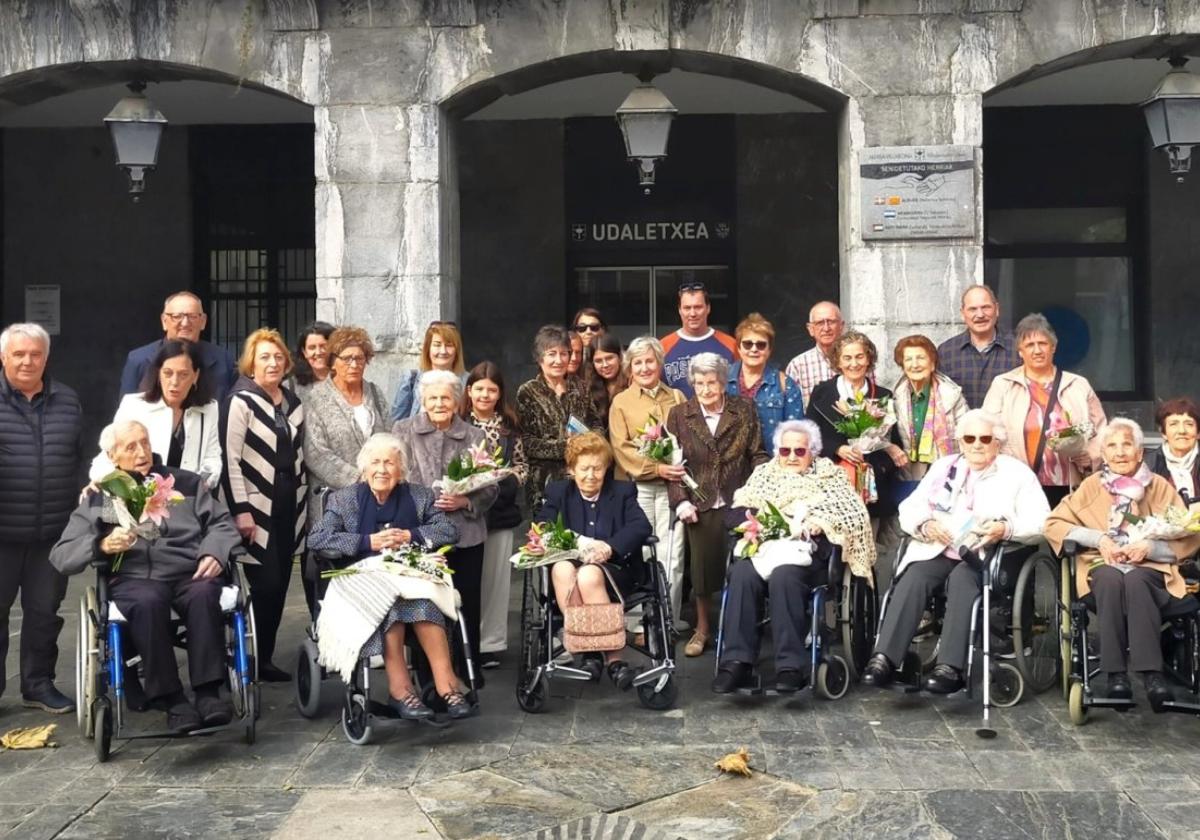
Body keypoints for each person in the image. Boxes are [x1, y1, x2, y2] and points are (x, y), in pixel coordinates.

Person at [51, 420, 242, 732]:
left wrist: (214, 551)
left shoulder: (185, 483)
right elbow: (62, 554)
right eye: (131, 447)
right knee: (148, 601)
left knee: (205, 593)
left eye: (145, 442)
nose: (142, 452)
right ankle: (172, 699)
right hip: (134, 577)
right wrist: (100, 545)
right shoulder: (102, 496)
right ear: (112, 457)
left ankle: (208, 693)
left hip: (188, 570)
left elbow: (222, 524)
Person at [861, 410, 1050, 693]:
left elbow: (1040, 521)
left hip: (986, 554)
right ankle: (884, 659)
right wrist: (925, 525)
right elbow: (910, 508)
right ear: (960, 442)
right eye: (969, 438)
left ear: (997, 442)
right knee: (914, 577)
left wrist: (1005, 528)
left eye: (985, 438)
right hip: (938, 547)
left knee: (963, 580)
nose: (977, 444)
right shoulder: (944, 467)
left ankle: (950, 667)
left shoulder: (1016, 474)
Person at [307, 433, 470, 719]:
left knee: (426, 605)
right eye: (376, 462)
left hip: (410, 577)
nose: (382, 469)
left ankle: (448, 687)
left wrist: (411, 535)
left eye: (390, 463)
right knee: (388, 606)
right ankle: (401, 691)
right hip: (364, 579)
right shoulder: (344, 500)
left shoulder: (419, 496)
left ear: (402, 470)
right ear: (364, 468)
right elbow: (318, 539)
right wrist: (369, 542)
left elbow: (449, 531)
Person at [1044, 418, 1200, 705]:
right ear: (1103, 454)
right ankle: (1116, 674)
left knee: (1137, 579)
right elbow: (1054, 523)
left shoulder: (1160, 487)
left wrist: (1150, 547)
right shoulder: (1091, 486)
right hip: (1101, 565)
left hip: (1151, 570)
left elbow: (1190, 536)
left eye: (1127, 444)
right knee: (1111, 577)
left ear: (1140, 452)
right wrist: (1098, 540)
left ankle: (1152, 674)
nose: (1120, 452)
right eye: (1112, 446)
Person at [714, 419, 875, 693]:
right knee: (741, 574)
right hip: (765, 550)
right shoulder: (764, 474)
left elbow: (854, 516)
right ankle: (736, 661)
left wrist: (821, 525)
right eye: (785, 450)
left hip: (807, 557)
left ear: (812, 451)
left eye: (799, 451)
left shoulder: (830, 476)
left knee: (785, 576)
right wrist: (759, 521)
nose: (791, 457)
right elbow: (733, 513)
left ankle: (791, 666)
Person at [0, 323, 83, 714]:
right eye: (19, 354)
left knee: (44, 613)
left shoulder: (67, 400)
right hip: (2, 532)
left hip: (53, 531)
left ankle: (38, 684)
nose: (27, 361)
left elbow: (80, 458)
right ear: (4, 357)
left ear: (46, 357)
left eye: (35, 354)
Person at [394, 370, 498, 671]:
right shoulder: (403, 430)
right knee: (425, 605)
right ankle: (428, 675)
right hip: (420, 536)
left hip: (464, 534)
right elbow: (394, 479)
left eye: (445, 398)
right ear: (423, 401)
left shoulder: (475, 436)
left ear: (456, 401)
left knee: (465, 603)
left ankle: (468, 671)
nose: (439, 403)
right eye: (433, 398)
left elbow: (490, 486)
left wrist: (465, 500)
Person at [667, 353, 768, 657]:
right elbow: (671, 465)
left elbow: (757, 453)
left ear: (724, 383)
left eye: (712, 382)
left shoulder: (744, 409)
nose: (706, 389)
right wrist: (680, 502)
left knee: (743, 566)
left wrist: (760, 488)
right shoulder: (679, 414)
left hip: (740, 498)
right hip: (700, 502)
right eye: (699, 383)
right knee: (702, 571)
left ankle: (740, 627)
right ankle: (702, 628)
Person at [220, 328, 307, 682]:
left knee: (283, 582)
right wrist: (240, 509)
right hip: (255, 507)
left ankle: (265, 658)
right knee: (265, 582)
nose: (273, 363)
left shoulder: (292, 402)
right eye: (264, 358)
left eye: (278, 357)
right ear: (250, 364)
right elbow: (230, 459)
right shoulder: (240, 401)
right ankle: (242, 651)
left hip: (290, 503)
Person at [537, 432, 652, 690]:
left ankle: (612, 659)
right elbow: (543, 525)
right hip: (570, 569)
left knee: (589, 575)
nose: (591, 475)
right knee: (563, 568)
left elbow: (641, 526)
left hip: (615, 571)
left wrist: (610, 547)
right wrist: (568, 543)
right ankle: (589, 650)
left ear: (606, 468)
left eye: (598, 468)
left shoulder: (622, 492)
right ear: (571, 469)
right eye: (584, 468)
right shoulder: (558, 492)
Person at [982, 312, 1107, 507]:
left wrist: (1090, 457)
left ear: (1053, 347)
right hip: (1021, 485)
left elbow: (1101, 430)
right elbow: (987, 431)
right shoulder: (1003, 385)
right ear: (1020, 351)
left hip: (1070, 484)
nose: (1037, 350)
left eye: (1043, 343)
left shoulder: (1077, 385)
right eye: (1030, 345)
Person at [608, 336, 686, 625]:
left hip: (672, 489)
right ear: (630, 367)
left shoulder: (676, 397)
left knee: (672, 554)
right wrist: (655, 468)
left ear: (659, 363)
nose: (644, 367)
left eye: (649, 361)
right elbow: (621, 448)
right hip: (637, 488)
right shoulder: (621, 402)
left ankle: (667, 618)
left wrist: (672, 468)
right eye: (638, 362)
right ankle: (638, 620)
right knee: (637, 551)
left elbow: (687, 439)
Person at [462, 361, 528, 669]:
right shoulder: (460, 422)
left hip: (500, 510)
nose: (485, 395)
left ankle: (490, 644)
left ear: (500, 393)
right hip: (466, 513)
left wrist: (508, 479)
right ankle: (463, 640)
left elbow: (522, 465)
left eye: (492, 390)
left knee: (496, 579)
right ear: (469, 391)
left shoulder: (508, 425)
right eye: (479, 389)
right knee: (468, 579)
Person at [91, 339, 222, 490]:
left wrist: (202, 483)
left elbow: (212, 458)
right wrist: (104, 482)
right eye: (167, 373)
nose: (174, 382)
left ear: (195, 376)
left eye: (183, 374)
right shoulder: (133, 405)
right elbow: (108, 455)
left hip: (189, 500)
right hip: (142, 499)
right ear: (158, 373)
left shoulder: (209, 409)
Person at [806, 330, 908, 518]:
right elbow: (808, 436)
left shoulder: (883, 396)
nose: (854, 364)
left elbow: (894, 442)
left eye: (860, 356)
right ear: (838, 361)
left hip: (873, 490)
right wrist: (837, 448)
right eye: (847, 358)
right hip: (832, 486)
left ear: (869, 359)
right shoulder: (821, 393)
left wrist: (876, 464)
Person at [516, 326, 597, 512]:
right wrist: (566, 447)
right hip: (544, 483)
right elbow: (526, 442)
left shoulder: (580, 387)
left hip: (582, 477)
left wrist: (591, 442)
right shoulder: (528, 392)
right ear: (539, 357)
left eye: (564, 353)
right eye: (552, 354)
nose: (559, 360)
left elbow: (595, 424)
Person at [304, 327, 390, 493]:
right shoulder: (316, 398)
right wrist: (359, 479)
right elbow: (316, 454)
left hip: (378, 494)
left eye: (359, 358)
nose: (354, 364)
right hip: (334, 497)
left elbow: (389, 439)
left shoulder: (375, 393)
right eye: (346, 359)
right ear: (333, 362)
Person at [119, 291, 238, 400]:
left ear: (203, 321)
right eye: (177, 317)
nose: (185, 323)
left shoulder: (223, 359)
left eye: (192, 316)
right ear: (164, 321)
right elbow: (126, 414)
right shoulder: (139, 359)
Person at [890, 335, 968, 481]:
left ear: (932, 363)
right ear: (903, 366)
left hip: (948, 475)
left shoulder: (952, 395)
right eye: (908, 359)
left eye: (920, 358)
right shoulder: (895, 398)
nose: (915, 364)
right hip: (908, 476)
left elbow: (967, 437)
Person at [727, 312, 804, 455]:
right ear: (739, 348)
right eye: (748, 344)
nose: (754, 349)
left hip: (772, 465)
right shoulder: (722, 380)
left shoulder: (785, 384)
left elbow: (796, 434)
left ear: (769, 350)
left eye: (761, 345)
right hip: (731, 467)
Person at [936, 285, 1020, 410]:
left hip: (1006, 428)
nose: (980, 314)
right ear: (963, 313)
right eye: (972, 309)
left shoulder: (1018, 348)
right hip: (961, 429)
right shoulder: (946, 352)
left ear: (997, 309)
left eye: (986, 307)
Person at [659, 281, 737, 398]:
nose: (692, 313)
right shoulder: (663, 347)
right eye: (687, 308)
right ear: (679, 310)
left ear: (708, 308)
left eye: (698, 307)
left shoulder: (731, 345)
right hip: (676, 415)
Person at [390, 321, 467, 422]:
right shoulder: (411, 379)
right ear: (428, 348)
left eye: (449, 345)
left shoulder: (468, 381)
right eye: (437, 345)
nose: (443, 351)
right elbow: (397, 423)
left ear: (457, 350)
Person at [786, 300, 844, 406]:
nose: (826, 328)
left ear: (841, 326)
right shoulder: (798, 365)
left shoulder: (856, 362)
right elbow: (790, 409)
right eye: (820, 323)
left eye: (831, 321)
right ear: (810, 329)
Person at [1145, 397, 1200, 505]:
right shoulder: (1147, 465)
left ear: (1198, 432)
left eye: (1189, 424)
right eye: (1174, 424)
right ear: (1163, 432)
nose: (1182, 431)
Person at [584, 333, 625, 436]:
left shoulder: (632, 384)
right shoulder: (587, 390)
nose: (605, 365)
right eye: (598, 361)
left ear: (620, 357)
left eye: (609, 358)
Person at [290, 320, 335, 401]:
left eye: (323, 346)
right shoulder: (290, 387)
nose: (318, 352)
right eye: (312, 348)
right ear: (304, 352)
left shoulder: (347, 380)